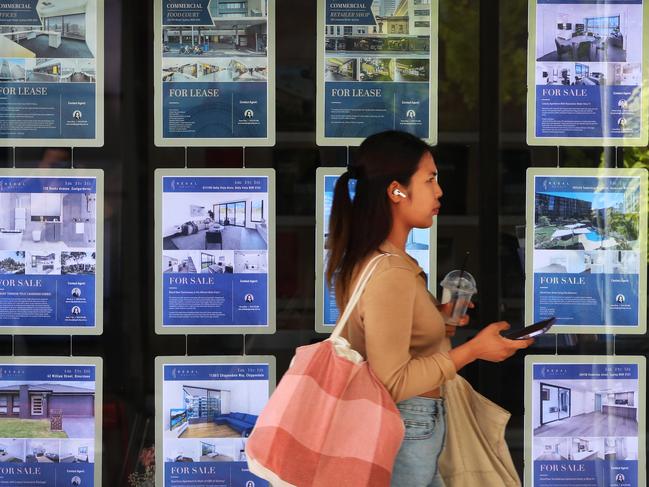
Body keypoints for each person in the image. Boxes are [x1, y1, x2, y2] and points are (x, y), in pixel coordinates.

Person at [326, 130, 533, 486]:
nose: (439, 191)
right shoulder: (390, 270)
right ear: (396, 191)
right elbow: (394, 380)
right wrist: (475, 350)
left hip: (411, 424)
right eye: (430, 179)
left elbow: (384, 337)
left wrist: (433, 321)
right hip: (409, 423)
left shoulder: (374, 260)